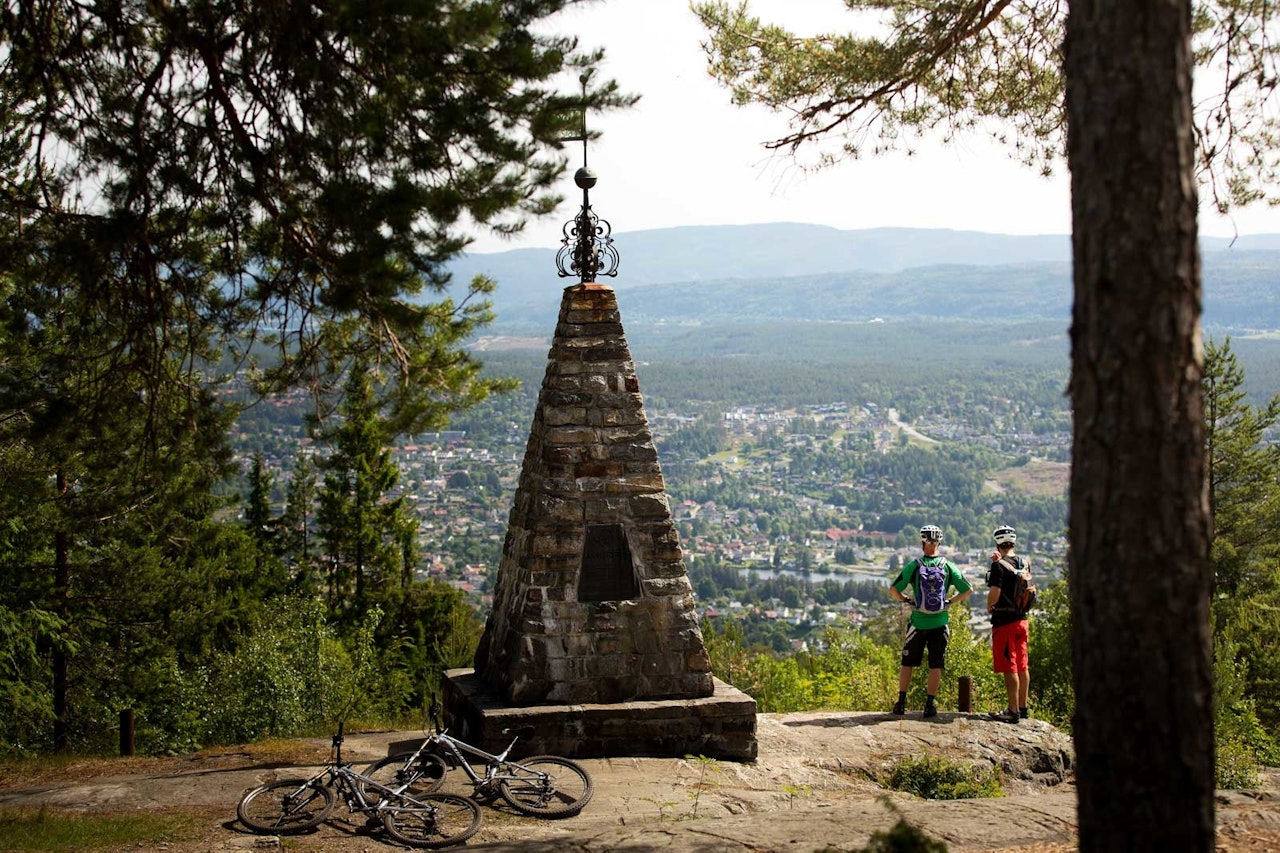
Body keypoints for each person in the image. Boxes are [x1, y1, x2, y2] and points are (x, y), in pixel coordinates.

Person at [889, 524, 973, 718]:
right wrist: (950, 601)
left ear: (922, 543)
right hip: (940, 622)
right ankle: (929, 705)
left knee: (907, 663)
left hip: (918, 622)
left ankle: (901, 703)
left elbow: (893, 589)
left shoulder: (914, 565)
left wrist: (907, 600)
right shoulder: (948, 566)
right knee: (936, 665)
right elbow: (968, 589)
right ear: (939, 542)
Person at [986, 524, 1031, 724]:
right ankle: (1023, 707)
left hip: (1004, 622)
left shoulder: (998, 566)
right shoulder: (1025, 562)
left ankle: (1012, 711)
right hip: (1022, 620)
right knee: (1022, 664)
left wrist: (989, 606)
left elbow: (995, 593)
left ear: (997, 542)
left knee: (1009, 666)